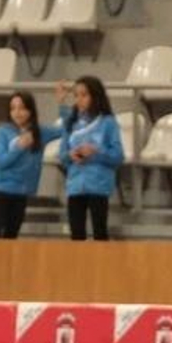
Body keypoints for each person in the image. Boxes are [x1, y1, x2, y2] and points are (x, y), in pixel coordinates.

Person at [56, 76, 125, 242]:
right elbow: (62, 155)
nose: (79, 100)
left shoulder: (108, 122)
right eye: (76, 95)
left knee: (100, 233)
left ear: (95, 96)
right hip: (75, 186)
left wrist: (96, 152)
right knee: (76, 236)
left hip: (98, 186)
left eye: (84, 95)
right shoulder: (71, 122)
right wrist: (70, 155)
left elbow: (118, 156)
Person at [0, 91, 62, 239]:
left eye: (21, 108)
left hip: (21, 192)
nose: (17, 113)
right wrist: (19, 147)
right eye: (13, 108)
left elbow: (64, 130)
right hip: (0, 190)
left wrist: (62, 103)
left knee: (12, 237)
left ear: (30, 110)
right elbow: (1, 162)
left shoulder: (40, 132)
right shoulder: (3, 132)